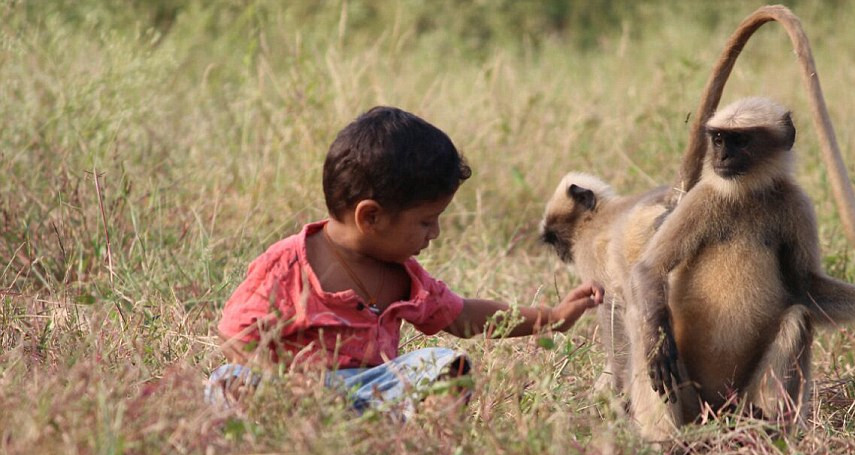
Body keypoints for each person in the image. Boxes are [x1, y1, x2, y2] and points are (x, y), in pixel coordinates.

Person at [207, 106, 603, 416]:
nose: (435, 233)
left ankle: (423, 444)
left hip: (374, 395)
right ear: (371, 217)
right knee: (229, 380)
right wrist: (286, 383)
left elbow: (464, 316)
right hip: (290, 397)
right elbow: (234, 335)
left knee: (446, 365)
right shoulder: (287, 265)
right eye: (426, 221)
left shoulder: (406, 277)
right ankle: (261, 437)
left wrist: (552, 317)